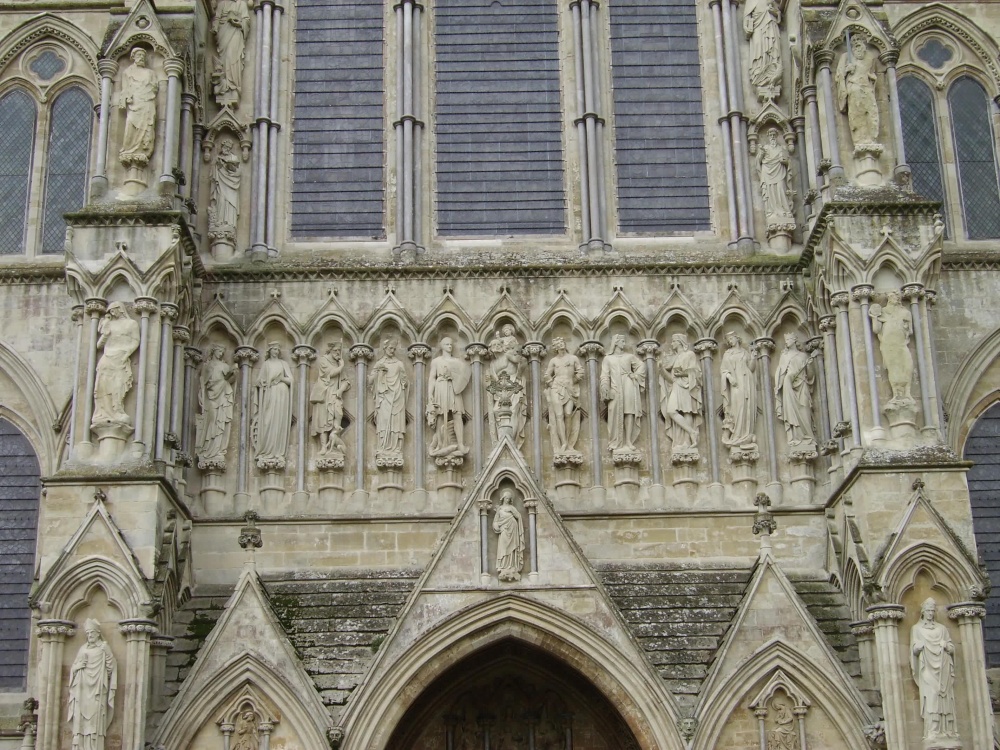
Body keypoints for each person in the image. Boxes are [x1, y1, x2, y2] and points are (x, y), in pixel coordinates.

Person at [910, 598, 958, 742]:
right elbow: (914, 649)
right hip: (927, 668)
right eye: (928, 610)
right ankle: (932, 730)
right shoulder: (916, 629)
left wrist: (947, 646)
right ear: (923, 612)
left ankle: (947, 730)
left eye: (932, 611)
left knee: (944, 698)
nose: (930, 613)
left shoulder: (942, 629)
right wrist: (917, 647)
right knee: (931, 696)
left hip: (943, 667)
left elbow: (951, 648)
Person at [67, 620, 117, 750]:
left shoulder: (103, 648)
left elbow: (111, 668)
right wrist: (77, 667)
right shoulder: (82, 649)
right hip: (81, 689)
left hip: (97, 690)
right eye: (88, 633)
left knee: (95, 720)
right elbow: (73, 668)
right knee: (80, 719)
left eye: (92, 633)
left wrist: (108, 652)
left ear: (98, 633)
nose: (89, 635)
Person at [92, 302, 140, 426]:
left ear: (120, 309)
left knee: (118, 385)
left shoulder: (131, 324)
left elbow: (136, 340)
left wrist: (127, 353)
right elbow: (98, 346)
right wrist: (105, 333)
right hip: (107, 357)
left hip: (121, 358)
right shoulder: (109, 324)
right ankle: (102, 413)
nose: (112, 313)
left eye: (113, 311)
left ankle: (117, 409)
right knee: (102, 385)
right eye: (110, 312)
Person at [426, 337, 471, 457]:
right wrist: (430, 395)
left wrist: (454, 376)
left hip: (454, 388)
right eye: (447, 344)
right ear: (442, 346)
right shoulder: (436, 361)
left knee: (457, 415)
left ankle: (460, 443)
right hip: (441, 387)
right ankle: (441, 444)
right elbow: (432, 378)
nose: (450, 346)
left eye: (451, 344)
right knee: (440, 415)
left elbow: (463, 375)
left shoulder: (457, 362)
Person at [600, 334, 645, 453]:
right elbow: (605, 375)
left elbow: (642, 365)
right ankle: (616, 441)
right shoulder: (608, 359)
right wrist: (605, 387)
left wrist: (635, 375)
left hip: (628, 385)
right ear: (616, 343)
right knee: (614, 413)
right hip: (615, 388)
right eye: (622, 341)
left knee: (629, 412)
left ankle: (628, 441)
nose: (624, 344)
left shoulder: (629, 357)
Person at [116, 48, 158, 168]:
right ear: (133, 56)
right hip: (134, 104)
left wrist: (145, 92)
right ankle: (129, 149)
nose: (142, 57)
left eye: (143, 55)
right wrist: (126, 99)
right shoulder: (127, 72)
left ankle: (142, 150)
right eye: (139, 54)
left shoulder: (151, 73)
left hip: (147, 102)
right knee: (130, 123)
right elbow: (125, 89)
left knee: (146, 125)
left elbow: (154, 87)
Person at [870, 291, 914, 404]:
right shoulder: (883, 311)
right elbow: (876, 329)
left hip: (902, 343)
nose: (897, 299)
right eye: (894, 297)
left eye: (898, 297)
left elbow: (910, 331)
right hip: (888, 344)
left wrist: (906, 327)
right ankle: (897, 394)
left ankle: (907, 393)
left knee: (907, 366)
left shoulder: (905, 313)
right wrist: (874, 317)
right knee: (892, 367)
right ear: (889, 298)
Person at [659, 334, 702, 451]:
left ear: (680, 342)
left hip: (687, 386)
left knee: (687, 411)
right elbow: (671, 379)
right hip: (677, 385)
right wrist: (661, 369)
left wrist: (683, 373)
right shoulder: (675, 358)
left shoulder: (689, 354)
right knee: (671, 411)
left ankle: (686, 442)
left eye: (673, 341)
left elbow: (697, 372)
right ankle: (692, 432)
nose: (672, 344)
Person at [252, 343, 292, 466]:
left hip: (282, 395)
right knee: (268, 421)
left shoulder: (283, 364)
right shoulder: (266, 364)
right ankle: (266, 451)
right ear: (269, 350)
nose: (276, 351)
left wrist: (281, 379)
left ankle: (278, 452)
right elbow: (259, 381)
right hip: (270, 394)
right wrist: (261, 383)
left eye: (278, 349)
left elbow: (290, 380)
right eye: (274, 349)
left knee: (279, 422)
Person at [836, 35, 880, 147]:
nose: (856, 43)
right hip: (854, 88)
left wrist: (873, 78)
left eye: (859, 39)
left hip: (867, 89)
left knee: (871, 114)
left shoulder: (870, 57)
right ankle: (860, 142)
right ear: (850, 45)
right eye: (853, 41)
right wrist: (846, 70)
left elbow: (872, 72)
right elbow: (838, 76)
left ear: (864, 41)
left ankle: (872, 139)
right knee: (857, 115)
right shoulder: (846, 57)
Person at [487, 325, 527, 447]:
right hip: (500, 388)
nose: (496, 347)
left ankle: (510, 442)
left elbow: (523, 361)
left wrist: (519, 376)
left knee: (513, 411)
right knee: (495, 411)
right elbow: (493, 378)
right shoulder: (493, 363)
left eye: (497, 345)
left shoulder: (508, 355)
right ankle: (502, 439)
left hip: (513, 384)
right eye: (493, 346)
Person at [195, 344, 235, 466]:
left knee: (220, 421)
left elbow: (230, 380)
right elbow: (203, 382)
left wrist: (233, 373)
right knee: (211, 420)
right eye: (219, 351)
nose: (221, 353)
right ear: (214, 352)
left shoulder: (225, 366)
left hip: (222, 396)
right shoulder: (207, 366)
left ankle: (217, 450)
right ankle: (207, 449)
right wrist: (201, 395)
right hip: (211, 398)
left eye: (222, 351)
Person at [543, 337, 584, 454]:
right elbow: (547, 375)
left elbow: (580, 371)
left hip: (569, 389)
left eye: (562, 342)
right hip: (556, 389)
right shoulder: (554, 361)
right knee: (559, 415)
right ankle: (564, 442)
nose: (561, 344)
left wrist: (573, 380)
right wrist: (552, 384)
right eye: (558, 343)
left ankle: (569, 444)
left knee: (568, 413)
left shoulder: (573, 358)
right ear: (555, 347)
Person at [774, 333, 815, 447]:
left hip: (802, 385)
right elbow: (781, 372)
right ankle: (796, 438)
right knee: (791, 412)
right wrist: (779, 386)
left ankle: (808, 437)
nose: (786, 341)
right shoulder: (784, 356)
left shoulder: (803, 356)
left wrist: (810, 365)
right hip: (788, 386)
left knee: (805, 410)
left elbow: (810, 376)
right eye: (785, 339)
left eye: (789, 339)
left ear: (794, 340)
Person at [368, 338, 408, 460]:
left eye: (394, 349)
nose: (392, 351)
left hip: (397, 398)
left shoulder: (399, 364)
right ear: (385, 348)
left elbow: (405, 382)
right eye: (390, 348)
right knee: (384, 422)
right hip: (384, 397)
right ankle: (383, 447)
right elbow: (370, 381)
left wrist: (401, 385)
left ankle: (396, 448)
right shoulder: (379, 364)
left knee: (396, 424)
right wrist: (379, 374)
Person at [310, 341, 350, 455]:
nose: (338, 353)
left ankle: (334, 446)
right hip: (324, 395)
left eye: (339, 351)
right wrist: (342, 366)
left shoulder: (338, 364)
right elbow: (330, 373)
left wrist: (340, 390)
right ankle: (324, 447)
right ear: (330, 350)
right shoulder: (324, 361)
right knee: (323, 421)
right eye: (335, 351)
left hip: (335, 395)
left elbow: (346, 381)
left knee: (337, 415)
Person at [719, 332, 758, 448]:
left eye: (731, 338)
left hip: (746, 383)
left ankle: (745, 434)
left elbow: (751, 368)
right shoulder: (727, 354)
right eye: (728, 339)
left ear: (737, 338)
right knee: (737, 407)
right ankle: (736, 435)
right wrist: (729, 377)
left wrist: (754, 357)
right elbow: (723, 369)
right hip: (735, 384)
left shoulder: (745, 352)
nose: (730, 341)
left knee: (746, 407)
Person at [212, 0, 251, 108]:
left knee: (232, 57)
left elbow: (246, 21)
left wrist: (237, 23)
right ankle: (224, 86)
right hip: (223, 32)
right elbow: (217, 17)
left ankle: (232, 86)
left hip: (235, 33)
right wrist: (215, 27)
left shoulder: (241, 4)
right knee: (225, 59)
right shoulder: (221, 4)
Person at [757, 128, 794, 226]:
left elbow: (788, 161)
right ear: (768, 136)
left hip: (779, 171)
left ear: (776, 136)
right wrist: (761, 153)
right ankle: (772, 212)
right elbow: (759, 161)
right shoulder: (765, 148)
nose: (772, 137)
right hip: (767, 172)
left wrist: (785, 162)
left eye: (774, 135)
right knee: (771, 192)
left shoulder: (781, 148)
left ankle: (784, 210)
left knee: (781, 189)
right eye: (770, 135)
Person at [744, 0, 782, 94]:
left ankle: (771, 74)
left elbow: (778, 13)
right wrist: (747, 27)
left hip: (770, 25)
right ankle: (759, 73)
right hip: (758, 28)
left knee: (772, 48)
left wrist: (773, 11)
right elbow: (746, 19)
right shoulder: (750, 1)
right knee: (758, 49)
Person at [208, 139, 242, 240]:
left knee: (229, 204)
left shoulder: (234, 158)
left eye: (228, 148)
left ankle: (229, 223)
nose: (226, 149)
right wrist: (218, 165)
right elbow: (212, 175)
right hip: (220, 184)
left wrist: (229, 167)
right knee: (221, 201)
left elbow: (238, 172)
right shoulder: (217, 158)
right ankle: (220, 222)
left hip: (231, 186)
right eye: (225, 147)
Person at [493, 490, 524, 581]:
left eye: (509, 498)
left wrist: (512, 511)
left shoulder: (512, 508)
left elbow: (519, 516)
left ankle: (512, 566)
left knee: (512, 550)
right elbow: (495, 521)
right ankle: (503, 567)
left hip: (513, 530)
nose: (507, 500)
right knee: (503, 548)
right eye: (506, 498)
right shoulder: (500, 509)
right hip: (504, 531)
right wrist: (497, 526)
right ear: (503, 498)